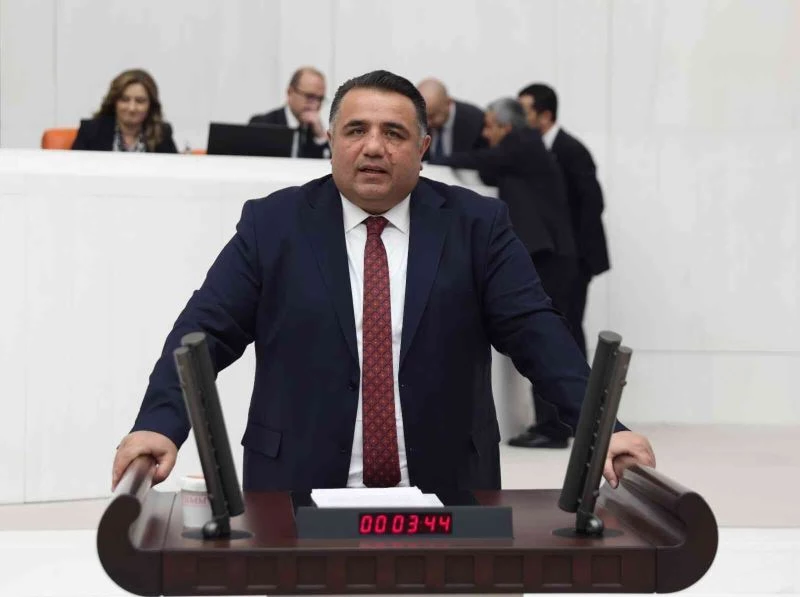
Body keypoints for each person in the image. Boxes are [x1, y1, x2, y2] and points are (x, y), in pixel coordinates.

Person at [112, 70, 654, 493]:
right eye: (356, 131)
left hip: (447, 490)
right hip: (296, 491)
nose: (373, 147)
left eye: (394, 133)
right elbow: (205, 329)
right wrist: (160, 420)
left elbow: (537, 332)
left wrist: (601, 428)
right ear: (331, 140)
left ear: (423, 148)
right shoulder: (273, 224)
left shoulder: (477, 226)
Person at [428, 98, 579, 449]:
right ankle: (554, 424)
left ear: (506, 127)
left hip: (551, 255)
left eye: (490, 126)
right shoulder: (522, 149)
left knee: (544, 333)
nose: (485, 133)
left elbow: (482, 160)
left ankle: (554, 428)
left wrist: (434, 158)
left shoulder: (523, 144)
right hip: (548, 252)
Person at [518, 83, 611, 358]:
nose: (519, 118)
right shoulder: (531, 149)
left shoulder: (571, 150)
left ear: (545, 116)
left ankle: (582, 386)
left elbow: (593, 203)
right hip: (554, 257)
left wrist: (574, 255)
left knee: (569, 324)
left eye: (524, 112)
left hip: (574, 258)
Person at [71, 69, 177, 153]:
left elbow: (174, 169)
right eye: (125, 100)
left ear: (151, 104)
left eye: (140, 101)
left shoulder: (162, 133)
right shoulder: (91, 131)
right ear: (114, 101)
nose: (132, 108)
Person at [249, 66, 329, 158]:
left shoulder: (315, 132)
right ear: (290, 92)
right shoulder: (262, 125)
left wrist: (320, 137)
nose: (315, 105)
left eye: (320, 99)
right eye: (309, 97)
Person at [416, 78, 487, 161]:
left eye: (432, 116)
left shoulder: (475, 121)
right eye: (422, 116)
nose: (427, 123)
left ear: (448, 103)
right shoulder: (414, 119)